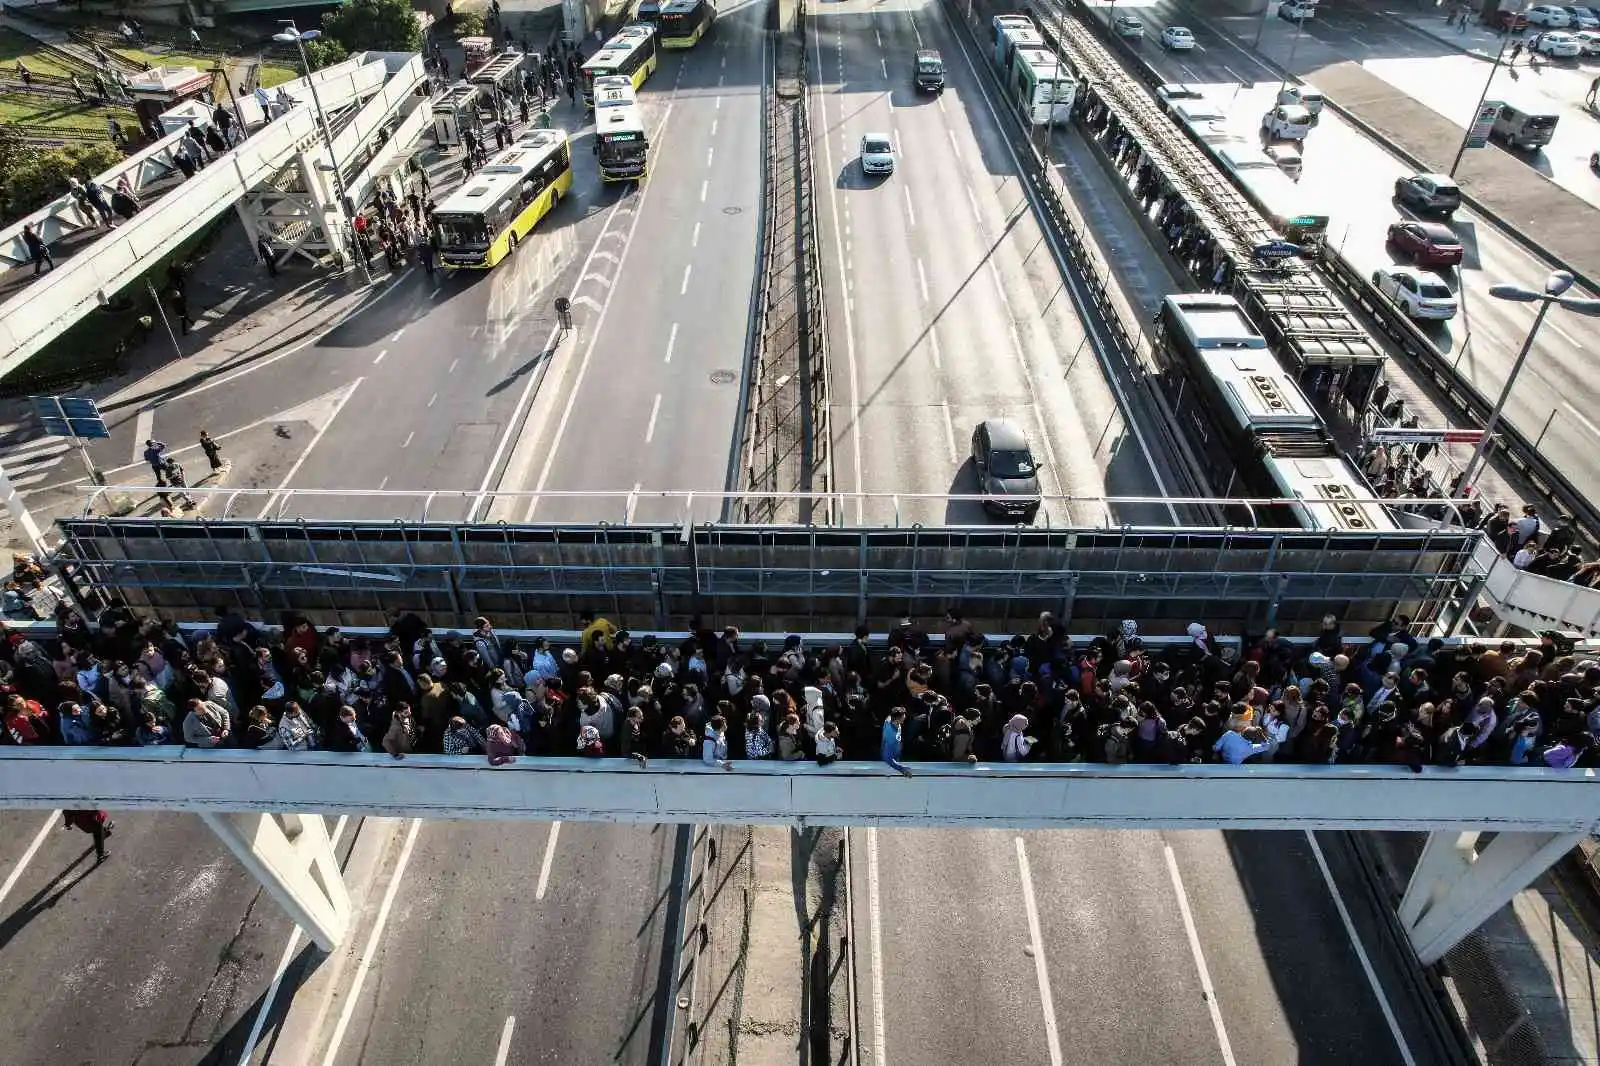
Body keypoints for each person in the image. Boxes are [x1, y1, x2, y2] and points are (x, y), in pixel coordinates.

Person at [881, 707, 912, 776]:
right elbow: (887, 758)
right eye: (903, 716)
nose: (905, 717)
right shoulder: (891, 736)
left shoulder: (890, 718)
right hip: (892, 755)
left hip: (896, 749)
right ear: (897, 718)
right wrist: (901, 769)